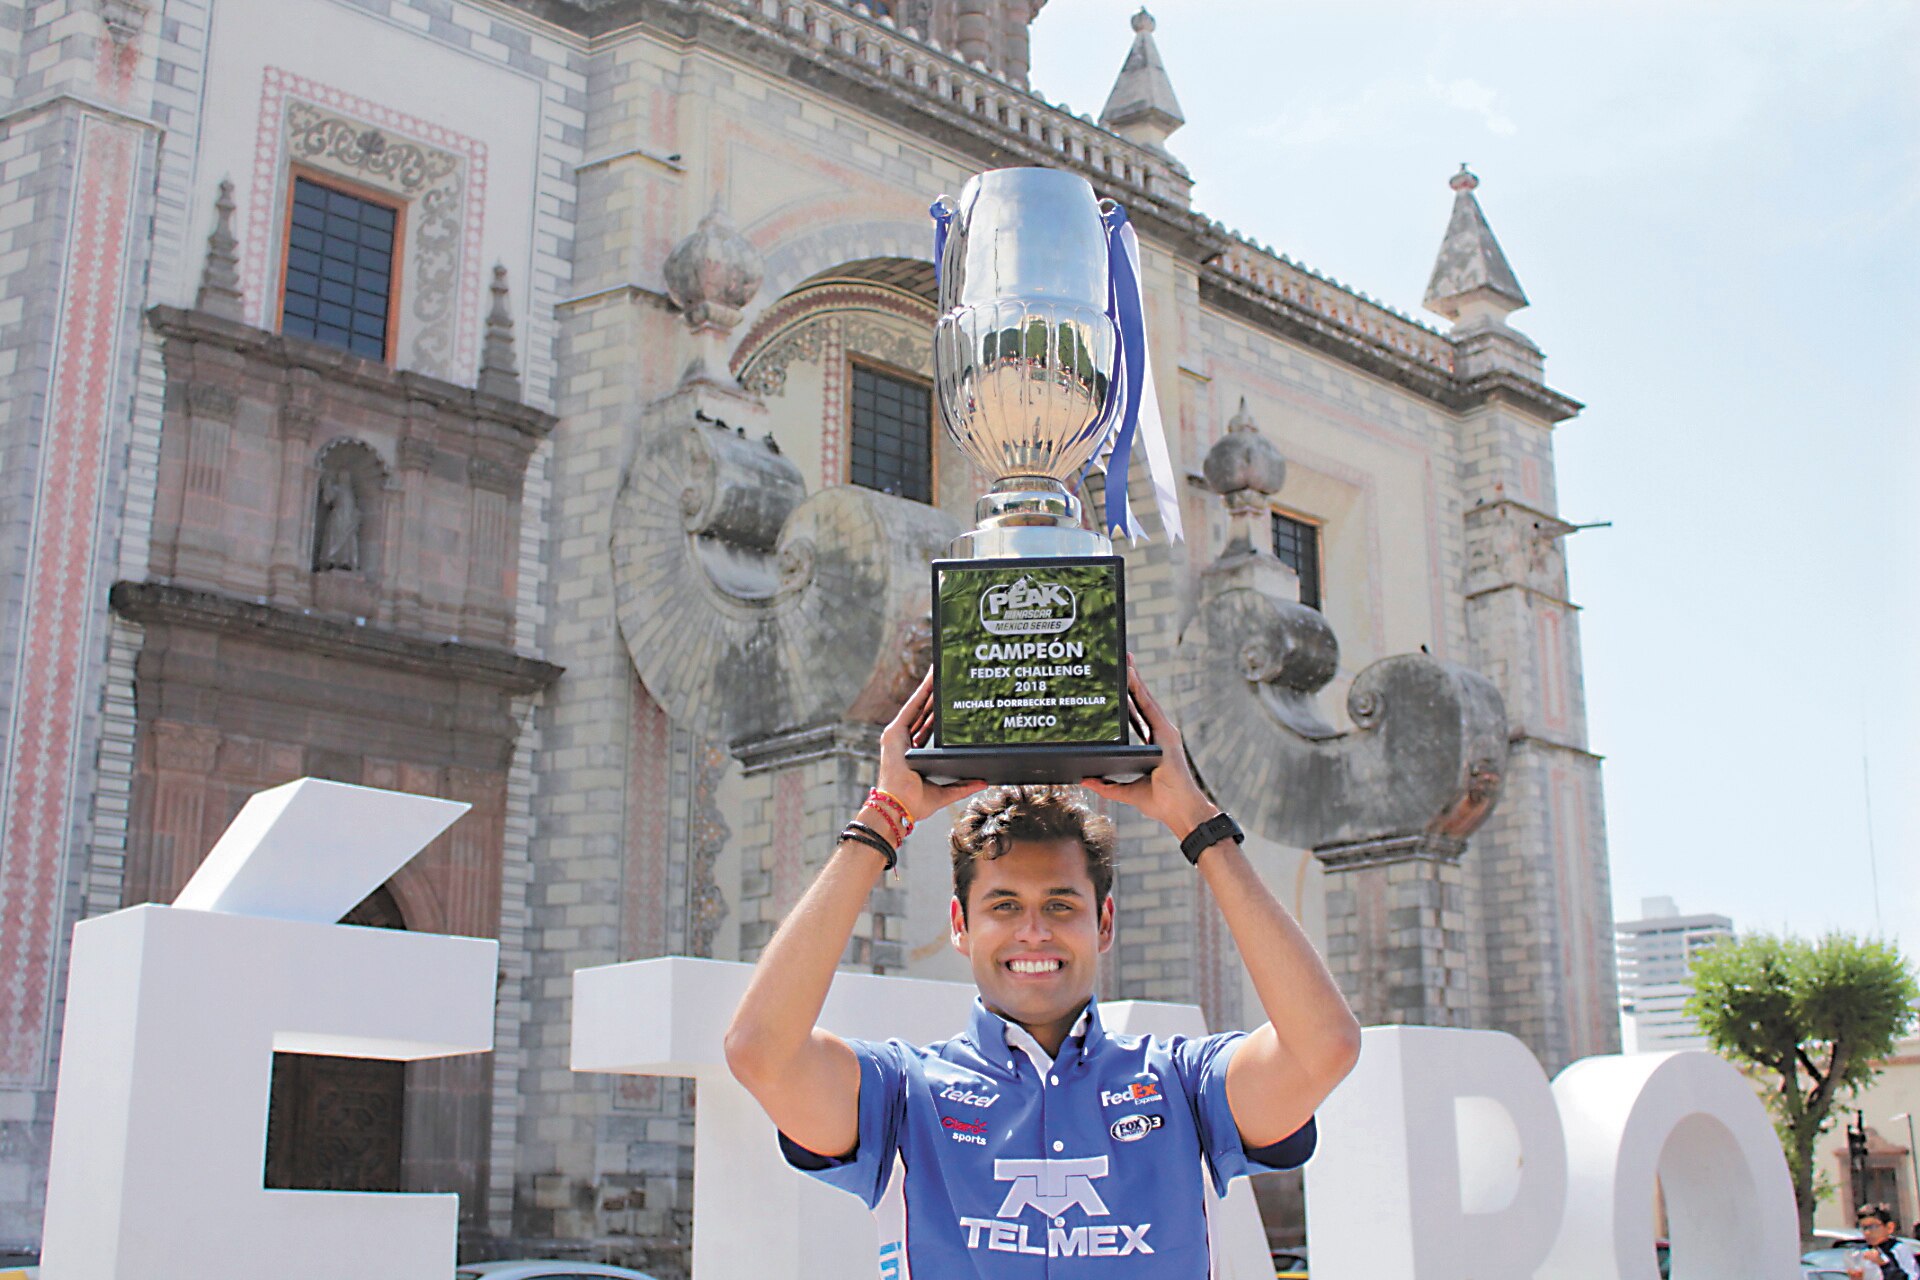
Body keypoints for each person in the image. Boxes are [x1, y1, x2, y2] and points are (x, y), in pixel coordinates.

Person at [724, 657, 1362, 1276]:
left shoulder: (1182, 1085)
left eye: (1061, 904)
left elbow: (1323, 1047)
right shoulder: (903, 1093)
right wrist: (884, 818)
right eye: (1004, 905)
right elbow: (761, 1052)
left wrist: (1193, 817)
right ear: (960, 926)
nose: (1034, 931)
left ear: (1103, 924)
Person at [1850, 1204, 1919, 1280]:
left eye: (1872, 1227)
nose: (1867, 1232)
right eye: (1863, 1228)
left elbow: (1911, 1277)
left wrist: (1883, 1264)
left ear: (1889, 1227)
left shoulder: (1898, 1249)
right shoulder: (1861, 1252)